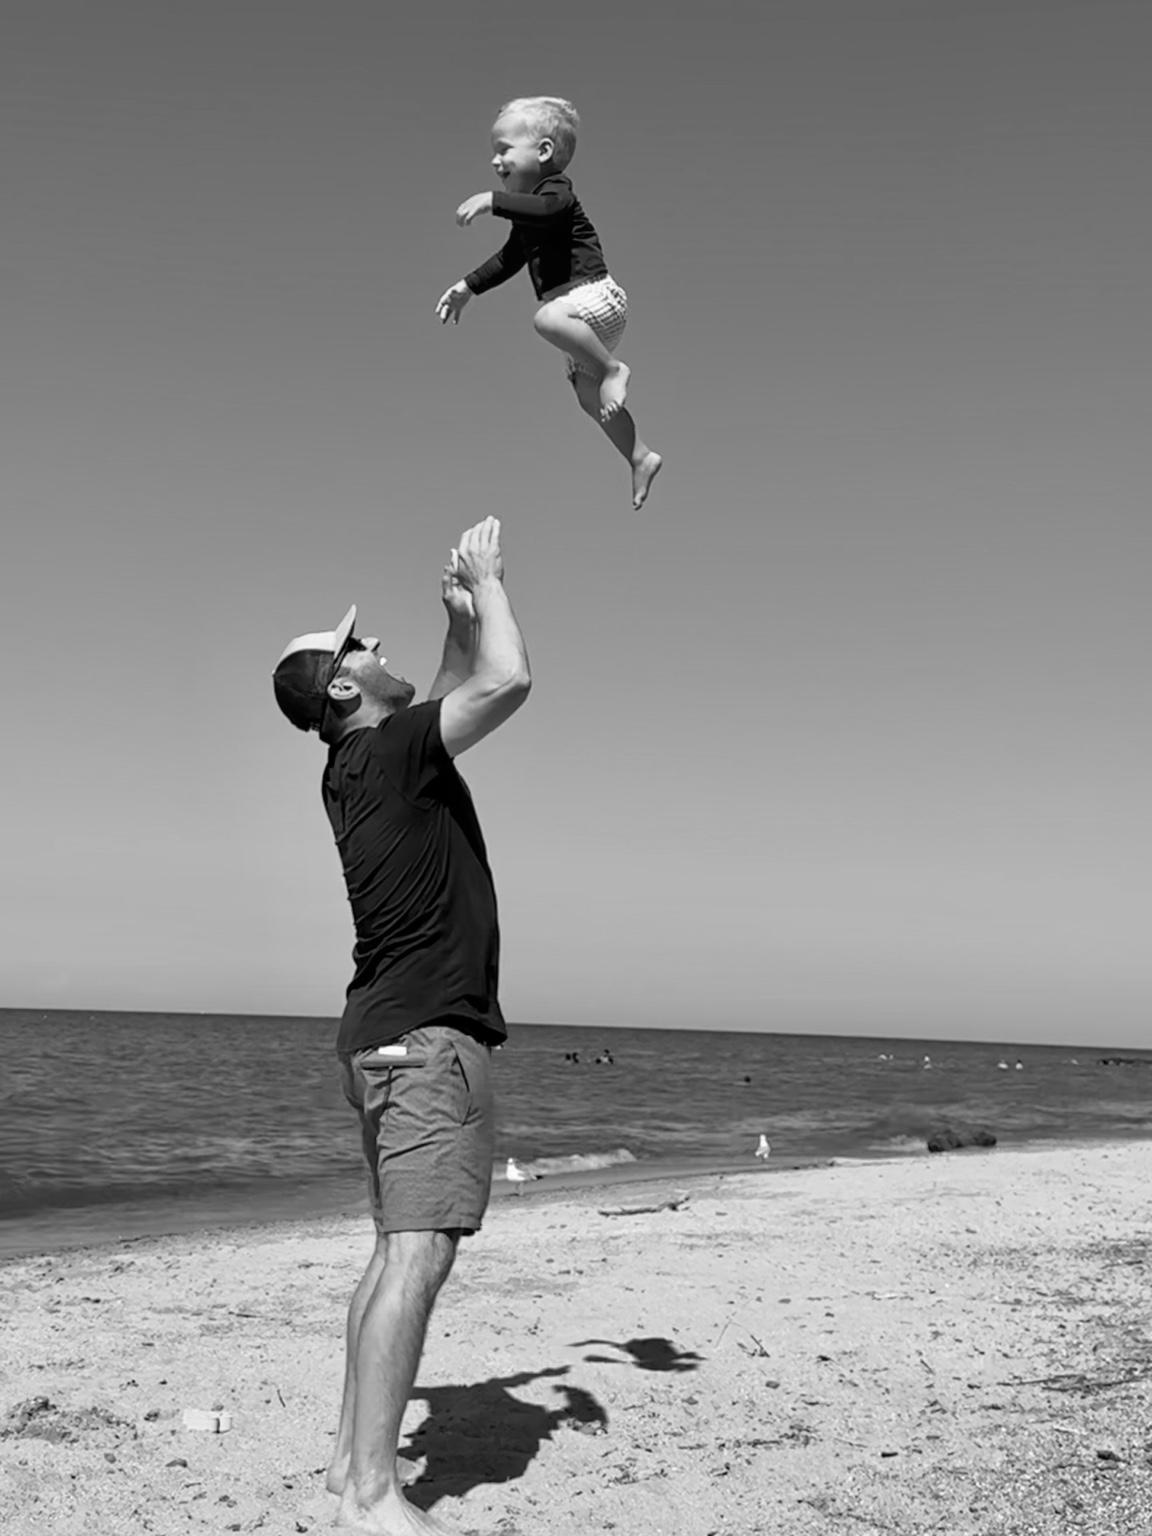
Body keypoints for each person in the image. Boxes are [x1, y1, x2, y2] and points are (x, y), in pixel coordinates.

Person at [272, 516, 530, 1536]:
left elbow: (443, 688)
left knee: (391, 1253)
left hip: (378, 1034)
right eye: (357, 646)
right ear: (341, 689)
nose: (371, 646)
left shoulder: (363, 762)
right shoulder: (394, 752)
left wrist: (450, 619)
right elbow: (502, 683)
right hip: (427, 1037)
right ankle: (375, 1496)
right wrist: (492, 588)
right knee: (416, 1257)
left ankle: (348, 1469)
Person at [435, 96, 662, 511]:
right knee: (586, 397)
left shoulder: (556, 192)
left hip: (594, 298)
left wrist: (493, 200)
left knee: (545, 319)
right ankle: (639, 456)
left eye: (504, 149)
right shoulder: (528, 219)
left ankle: (614, 369)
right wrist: (468, 286)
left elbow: (546, 209)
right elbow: (509, 258)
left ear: (543, 152)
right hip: (578, 320)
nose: (494, 161)